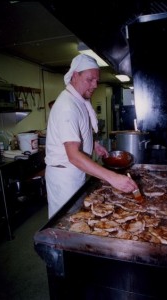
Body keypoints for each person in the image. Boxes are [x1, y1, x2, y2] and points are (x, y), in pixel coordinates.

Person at [45, 53, 138, 218]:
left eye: (97, 80)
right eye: (90, 79)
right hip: (64, 178)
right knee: (66, 223)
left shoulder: (79, 101)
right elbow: (73, 155)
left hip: (75, 172)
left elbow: (79, 131)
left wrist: (93, 144)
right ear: (75, 75)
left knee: (77, 218)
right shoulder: (67, 106)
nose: (95, 85)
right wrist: (112, 178)